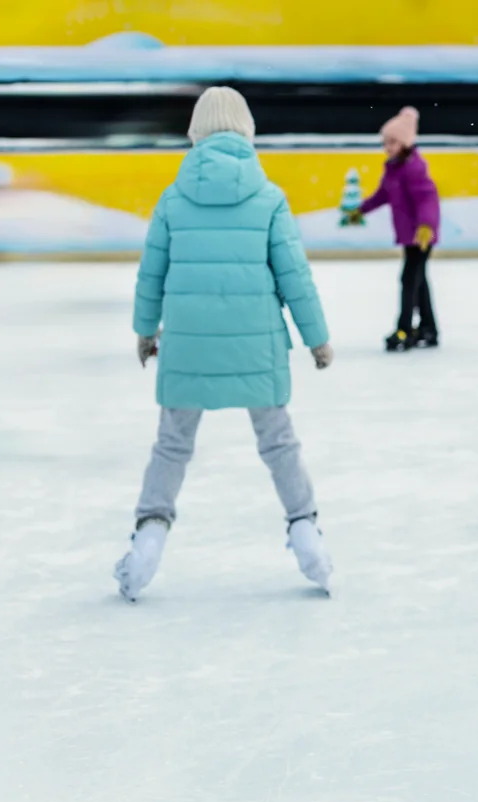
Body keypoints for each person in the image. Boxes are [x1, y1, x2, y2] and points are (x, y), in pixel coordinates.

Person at [116, 86, 336, 602]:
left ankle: (149, 534)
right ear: (247, 133)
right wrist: (317, 339)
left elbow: (152, 273)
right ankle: (305, 530)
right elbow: (294, 277)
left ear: (195, 134)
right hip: (254, 345)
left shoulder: (172, 199)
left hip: (187, 344)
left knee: (172, 445)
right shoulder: (268, 197)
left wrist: (145, 330)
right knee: (279, 442)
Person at [349, 107, 442, 351]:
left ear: (405, 143)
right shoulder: (393, 167)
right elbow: (383, 195)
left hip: (421, 236)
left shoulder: (414, 168)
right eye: (385, 142)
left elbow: (427, 198)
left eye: (392, 142)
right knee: (417, 280)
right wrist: (362, 210)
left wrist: (426, 226)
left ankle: (404, 329)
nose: (387, 146)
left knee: (409, 280)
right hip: (409, 236)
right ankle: (428, 328)